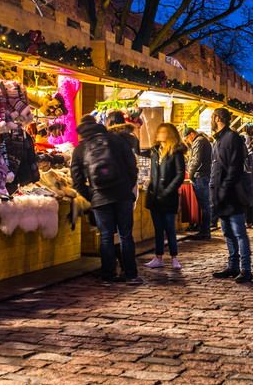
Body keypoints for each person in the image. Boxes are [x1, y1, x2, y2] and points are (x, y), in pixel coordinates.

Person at [71, 115, 141, 284]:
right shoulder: (116, 140)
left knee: (106, 236)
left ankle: (108, 274)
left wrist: (92, 195)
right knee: (126, 235)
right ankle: (131, 274)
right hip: (123, 194)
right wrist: (127, 185)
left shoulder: (80, 149)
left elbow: (76, 179)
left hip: (100, 197)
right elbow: (132, 165)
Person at [210, 108, 253, 283]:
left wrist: (223, 189)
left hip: (231, 194)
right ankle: (233, 265)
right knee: (227, 232)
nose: (210, 121)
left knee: (239, 233)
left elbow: (234, 168)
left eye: (212, 118)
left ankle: (246, 269)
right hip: (221, 193)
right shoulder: (219, 139)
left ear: (218, 118)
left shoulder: (231, 138)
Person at [144, 123, 186, 269]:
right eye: (159, 131)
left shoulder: (176, 152)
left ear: (169, 134)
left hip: (168, 197)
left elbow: (180, 174)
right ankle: (158, 257)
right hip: (155, 196)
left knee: (169, 228)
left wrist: (168, 190)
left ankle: (174, 257)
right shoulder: (155, 151)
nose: (159, 134)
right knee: (158, 228)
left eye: (162, 132)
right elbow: (138, 151)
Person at [184, 127, 213, 239]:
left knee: (204, 205)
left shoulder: (199, 141)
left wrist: (190, 175)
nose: (187, 141)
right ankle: (204, 230)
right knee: (204, 205)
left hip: (200, 176)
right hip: (202, 175)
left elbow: (196, 160)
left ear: (191, 134)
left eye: (186, 138)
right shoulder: (201, 140)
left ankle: (205, 232)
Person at [241, 126, 253, 227]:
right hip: (245, 177)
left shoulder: (251, 150)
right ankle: (248, 220)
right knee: (246, 199)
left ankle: (250, 220)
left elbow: (252, 166)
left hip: (249, 177)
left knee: (249, 199)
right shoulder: (245, 150)